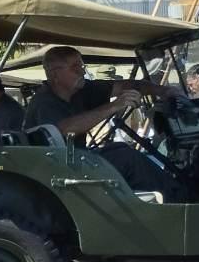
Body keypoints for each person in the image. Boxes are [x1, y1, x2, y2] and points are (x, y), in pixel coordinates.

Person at [21, 45, 184, 196]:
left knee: (120, 149)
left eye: (82, 66)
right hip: (55, 175)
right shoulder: (44, 102)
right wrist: (114, 106)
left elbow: (128, 85)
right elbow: (65, 129)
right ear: (55, 74)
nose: (82, 72)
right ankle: (180, 200)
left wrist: (163, 90)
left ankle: (167, 198)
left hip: (75, 163)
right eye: (75, 67)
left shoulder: (81, 91)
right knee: (127, 160)